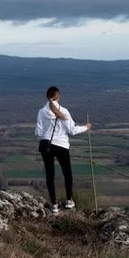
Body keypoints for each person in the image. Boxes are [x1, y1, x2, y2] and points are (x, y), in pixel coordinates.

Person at [35, 85, 90, 214]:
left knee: (50, 174)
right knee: (67, 173)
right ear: (58, 96)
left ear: (47, 96)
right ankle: (69, 200)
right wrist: (86, 127)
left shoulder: (41, 112)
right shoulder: (64, 111)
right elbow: (73, 130)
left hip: (45, 144)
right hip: (61, 145)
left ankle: (54, 204)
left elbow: (38, 132)